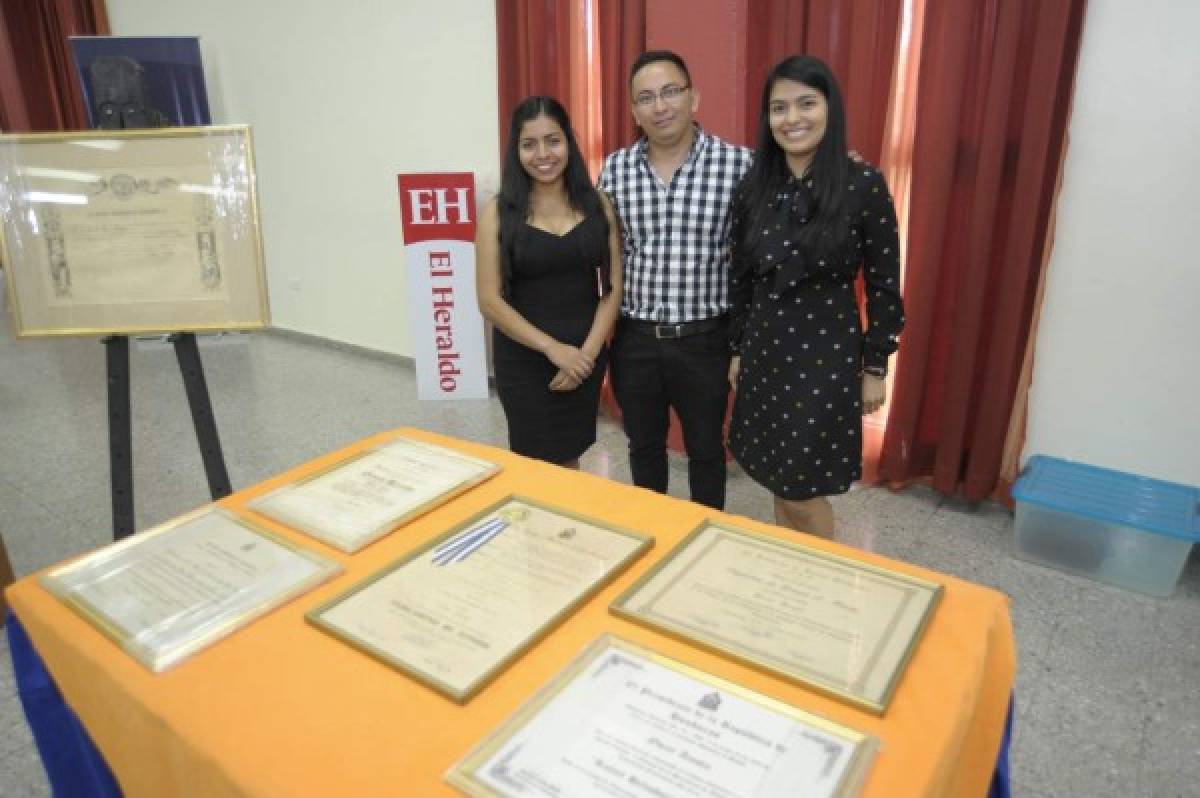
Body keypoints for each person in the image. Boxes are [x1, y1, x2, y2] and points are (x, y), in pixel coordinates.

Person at [728, 55, 905, 537]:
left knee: (803, 490)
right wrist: (739, 348)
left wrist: (874, 367)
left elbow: (886, 285)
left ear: (830, 108)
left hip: (825, 354)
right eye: (779, 108)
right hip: (766, 349)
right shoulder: (754, 187)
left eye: (806, 104)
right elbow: (741, 276)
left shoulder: (862, 185)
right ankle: (792, 568)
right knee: (776, 480)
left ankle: (819, 579)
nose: (792, 119)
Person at [598, 51, 752, 510]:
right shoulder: (615, 169)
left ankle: (706, 534)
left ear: (693, 97)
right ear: (633, 110)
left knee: (706, 450)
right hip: (635, 339)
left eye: (670, 92)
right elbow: (607, 250)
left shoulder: (740, 165)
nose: (659, 106)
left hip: (705, 340)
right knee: (643, 447)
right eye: (646, 97)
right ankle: (655, 532)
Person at [476, 96, 623, 467]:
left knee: (569, 457)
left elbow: (613, 290)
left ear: (569, 144)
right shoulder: (498, 212)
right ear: (516, 150)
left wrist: (584, 357)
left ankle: (565, 525)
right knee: (536, 464)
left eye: (553, 141)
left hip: (585, 357)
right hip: (525, 360)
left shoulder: (598, 204)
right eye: (529, 144)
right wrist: (554, 350)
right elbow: (489, 301)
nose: (543, 154)